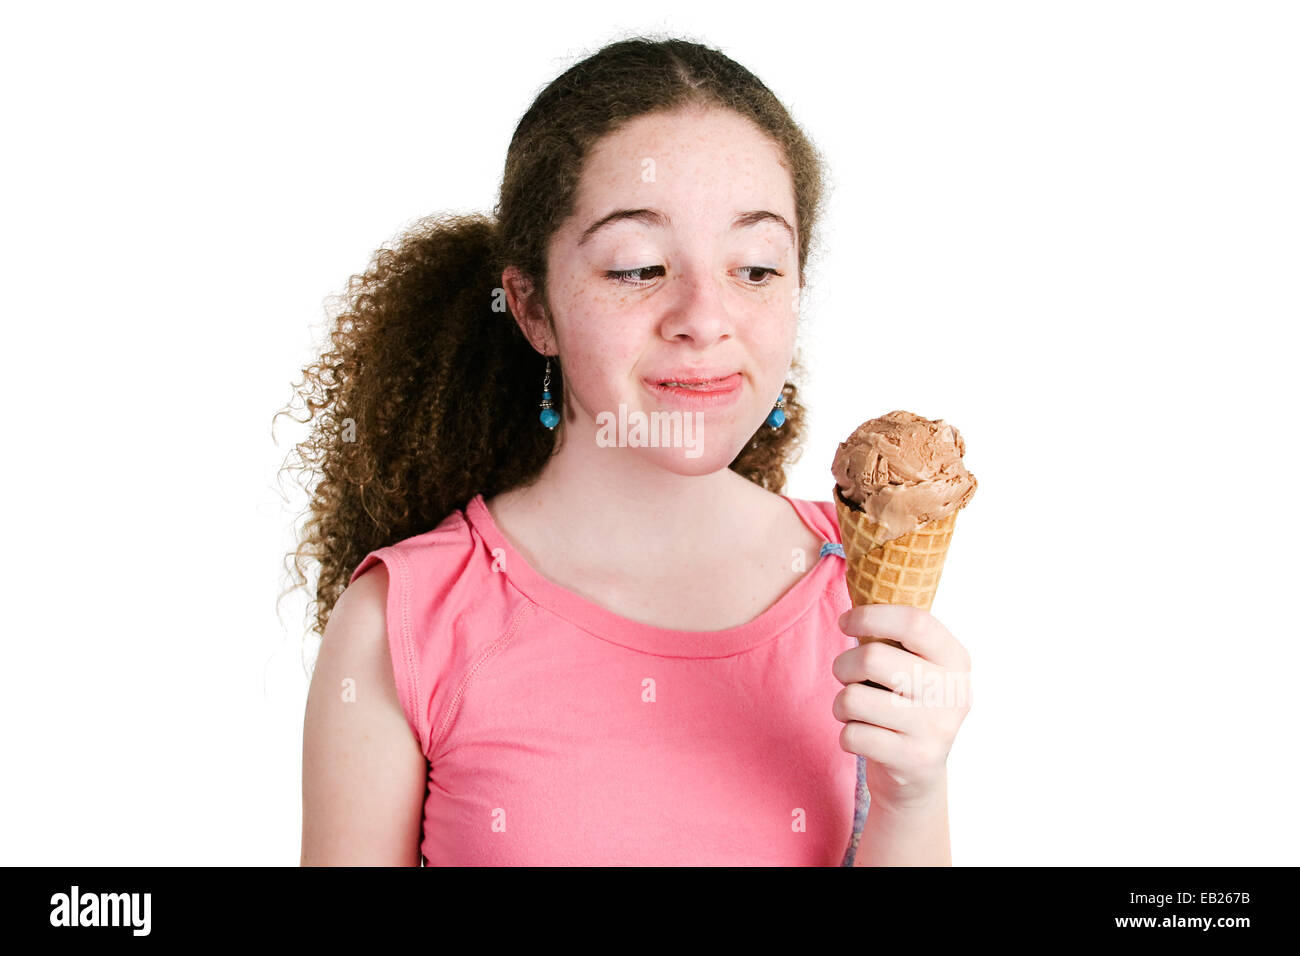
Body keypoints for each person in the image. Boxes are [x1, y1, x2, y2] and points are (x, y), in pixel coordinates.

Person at [283, 34, 971, 866]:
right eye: (639, 268)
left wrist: (913, 791)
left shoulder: (855, 590)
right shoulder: (400, 623)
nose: (705, 318)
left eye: (755, 268)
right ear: (531, 308)